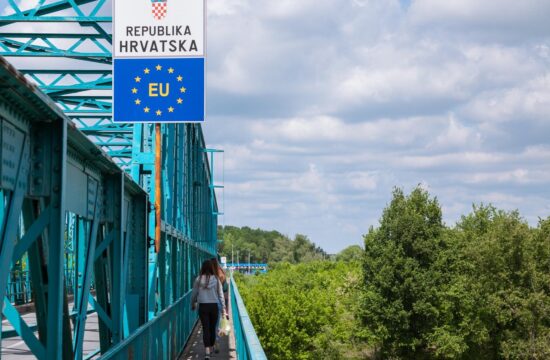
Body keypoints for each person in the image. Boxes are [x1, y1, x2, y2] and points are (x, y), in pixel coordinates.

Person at [191, 260, 227, 359]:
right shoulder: (216, 279)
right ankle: (211, 348)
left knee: (205, 328)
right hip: (214, 306)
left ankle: (207, 352)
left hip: (203, 306)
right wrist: (223, 308)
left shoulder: (198, 279)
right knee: (212, 328)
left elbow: (194, 293)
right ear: (211, 268)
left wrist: (193, 303)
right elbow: (221, 295)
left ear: (202, 268)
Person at [210, 257, 229, 353]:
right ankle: (215, 341)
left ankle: (209, 343)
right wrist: (225, 310)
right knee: (216, 324)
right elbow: (225, 293)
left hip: (207, 303)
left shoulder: (207, 275)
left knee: (208, 324)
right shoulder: (221, 274)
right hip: (218, 303)